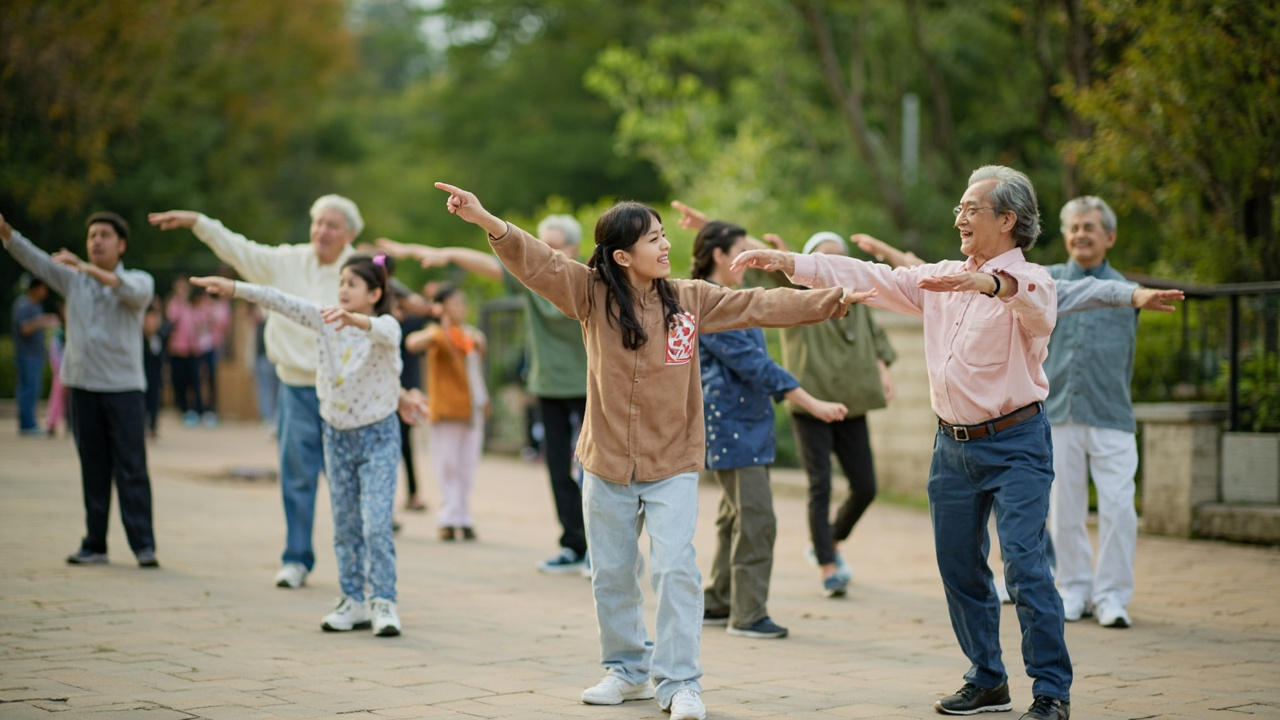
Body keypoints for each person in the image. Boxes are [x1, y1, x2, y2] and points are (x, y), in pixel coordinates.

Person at [433, 181, 872, 720]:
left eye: (665, 236)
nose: (666, 246)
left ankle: (681, 681)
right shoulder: (588, 292)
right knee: (613, 573)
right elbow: (538, 262)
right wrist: (486, 220)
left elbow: (755, 303)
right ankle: (627, 671)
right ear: (622, 256)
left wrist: (831, 300)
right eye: (653, 240)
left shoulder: (690, 298)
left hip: (673, 460)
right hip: (607, 460)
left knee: (676, 570)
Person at [733, 166, 1072, 720]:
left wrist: (990, 283)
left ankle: (1051, 692)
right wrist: (791, 263)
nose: (959, 217)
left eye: (971, 209)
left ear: (1007, 220)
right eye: (959, 208)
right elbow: (873, 274)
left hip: (1017, 444)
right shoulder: (940, 279)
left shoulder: (1033, 279)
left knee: (1026, 566)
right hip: (953, 449)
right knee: (959, 565)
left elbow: (1033, 304)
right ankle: (988, 679)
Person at [150, 196, 361, 589]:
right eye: (318, 223)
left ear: (349, 233)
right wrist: (199, 222)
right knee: (297, 476)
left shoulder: (362, 269)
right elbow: (238, 248)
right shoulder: (287, 260)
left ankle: (357, 566)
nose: (322, 231)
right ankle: (296, 558)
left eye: (332, 225)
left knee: (347, 483)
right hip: (297, 387)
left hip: (346, 394)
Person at [191, 253, 404, 636]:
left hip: (378, 437)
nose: (342, 289)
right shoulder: (325, 320)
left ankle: (383, 601)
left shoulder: (385, 325)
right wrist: (236, 288)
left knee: (375, 523)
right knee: (345, 525)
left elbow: (386, 333)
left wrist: (356, 320)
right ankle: (353, 599)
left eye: (352, 284)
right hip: (336, 435)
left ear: (375, 292)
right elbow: (280, 300)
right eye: (340, 282)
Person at [378, 215, 592, 574]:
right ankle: (572, 545)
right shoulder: (532, 278)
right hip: (547, 387)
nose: (549, 251)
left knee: (591, 470)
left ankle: (598, 550)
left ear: (574, 248)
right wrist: (445, 253)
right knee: (557, 469)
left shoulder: (588, 279)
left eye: (556, 245)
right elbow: (490, 264)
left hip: (588, 386)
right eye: (544, 244)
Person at [690, 221, 850, 640]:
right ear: (720, 255)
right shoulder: (711, 305)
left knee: (733, 518)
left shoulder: (728, 298)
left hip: (741, 427)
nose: (748, 257)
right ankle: (747, 614)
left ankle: (720, 600)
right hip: (732, 430)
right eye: (740, 250)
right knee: (757, 520)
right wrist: (812, 403)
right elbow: (758, 369)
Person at [1, 211, 158, 567]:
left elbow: (126, 291)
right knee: (93, 467)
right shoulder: (74, 282)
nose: (96, 242)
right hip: (83, 388)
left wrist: (84, 267)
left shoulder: (138, 281)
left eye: (104, 235)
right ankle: (95, 544)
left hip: (124, 390)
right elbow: (37, 261)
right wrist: (7, 233)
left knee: (131, 468)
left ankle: (144, 546)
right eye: (91, 237)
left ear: (122, 244)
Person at [1044, 196, 1142, 629]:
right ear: (1065, 235)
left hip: (1111, 415)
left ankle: (1112, 596)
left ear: (1110, 237)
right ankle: (1074, 589)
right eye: (1074, 227)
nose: (1080, 234)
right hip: (1058, 409)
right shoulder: (1044, 281)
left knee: (1120, 507)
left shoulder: (1128, 291)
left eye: (1090, 227)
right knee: (1064, 508)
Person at [406, 284, 487, 541]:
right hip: (446, 409)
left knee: (467, 466)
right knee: (446, 464)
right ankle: (450, 517)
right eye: (454, 302)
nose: (460, 308)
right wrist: (436, 326)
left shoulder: (471, 336)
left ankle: (462, 515)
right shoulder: (436, 335)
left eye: (462, 303)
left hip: (472, 408)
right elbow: (413, 343)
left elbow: (478, 363)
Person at [11, 273, 58, 436]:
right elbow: (24, 329)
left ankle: (29, 422)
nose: (45, 292)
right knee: (28, 390)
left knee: (33, 389)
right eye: (43, 288)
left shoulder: (36, 306)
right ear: (36, 288)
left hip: (35, 354)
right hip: (26, 355)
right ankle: (27, 424)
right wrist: (41, 322)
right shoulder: (24, 305)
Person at [142, 298, 167, 437]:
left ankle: (153, 426)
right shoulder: (139, 338)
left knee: (154, 400)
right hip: (142, 374)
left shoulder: (160, 336)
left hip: (155, 375)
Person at [45, 300, 70, 437]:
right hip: (61, 367)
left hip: (73, 367)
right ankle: (52, 423)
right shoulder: (57, 329)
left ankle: (70, 423)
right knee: (58, 395)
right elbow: (53, 350)